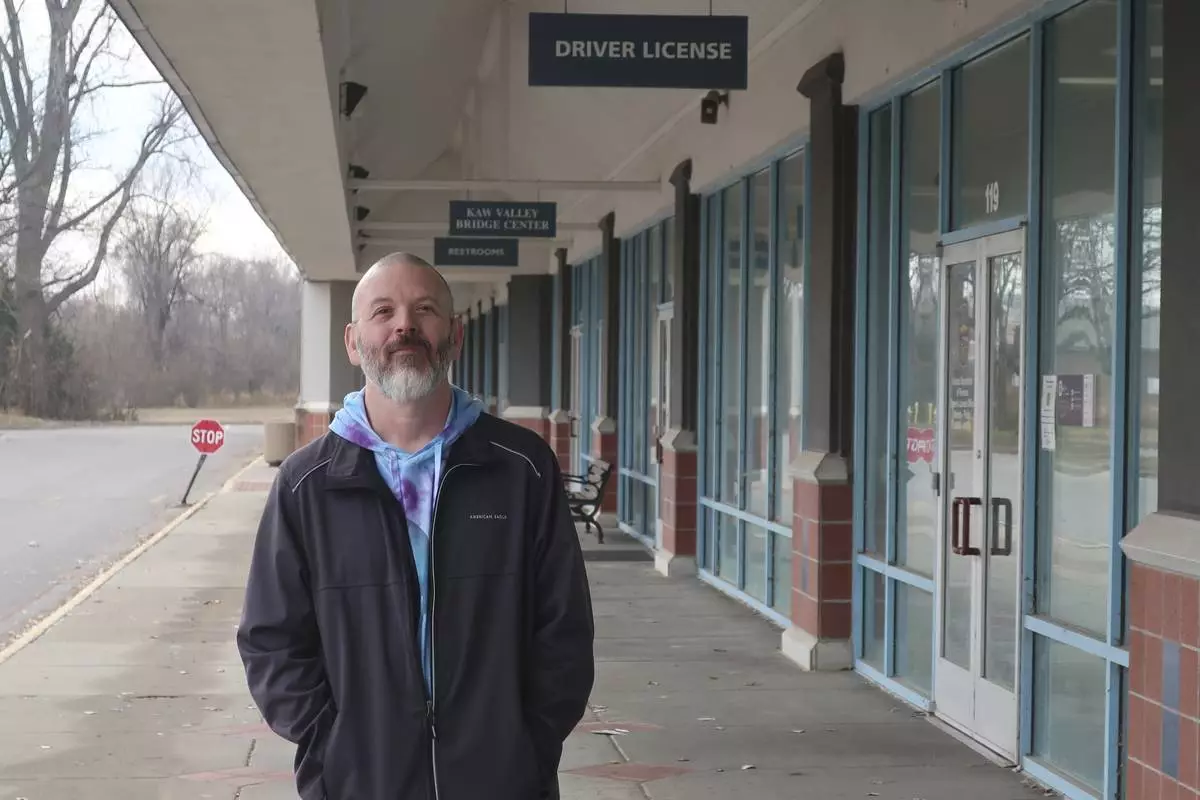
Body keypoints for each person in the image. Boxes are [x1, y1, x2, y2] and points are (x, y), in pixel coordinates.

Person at [236, 252, 595, 800]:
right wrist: (331, 743)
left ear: (454, 336)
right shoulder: (306, 486)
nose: (404, 324)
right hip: (361, 784)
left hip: (503, 783)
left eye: (423, 309)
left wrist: (527, 740)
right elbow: (271, 641)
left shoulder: (521, 468)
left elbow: (563, 630)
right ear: (354, 342)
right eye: (384, 311)